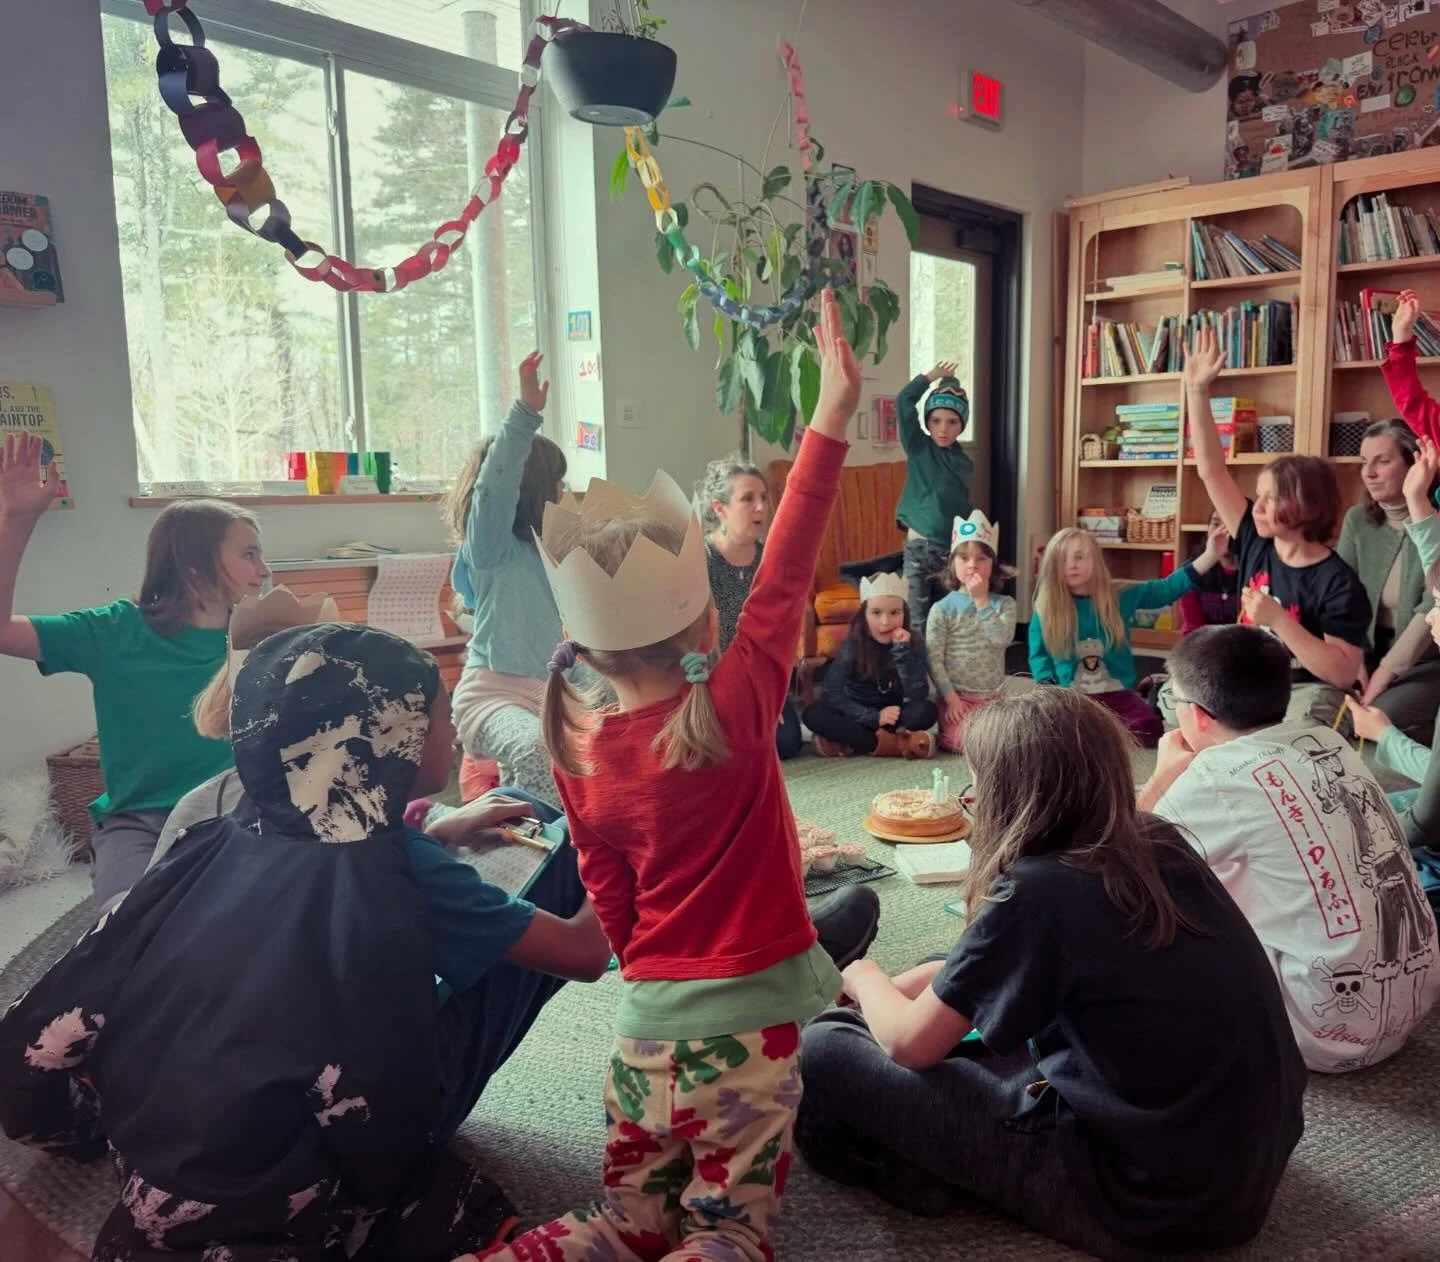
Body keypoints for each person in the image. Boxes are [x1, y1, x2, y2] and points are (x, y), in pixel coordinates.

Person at [0, 622, 614, 1261]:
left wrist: (442, 831)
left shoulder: (215, 837)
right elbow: (585, 954)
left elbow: (40, 1030)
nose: (452, 728)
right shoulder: (397, 873)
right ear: (386, 740)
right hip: (333, 1143)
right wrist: (615, 840)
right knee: (562, 852)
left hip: (179, 1120)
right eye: (435, 714)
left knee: (515, 809)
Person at [482, 290, 867, 1262]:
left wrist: (654, 958)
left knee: (625, 1226)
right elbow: (784, 568)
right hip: (751, 1046)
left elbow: (608, 900)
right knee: (729, 1234)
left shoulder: (573, 745)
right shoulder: (738, 701)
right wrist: (827, 416)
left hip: (642, 1037)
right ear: (705, 624)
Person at [795, 687, 1306, 1258]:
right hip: (1231, 1172)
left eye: (976, 791)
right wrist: (922, 981)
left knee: (824, 1044)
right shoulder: (1158, 843)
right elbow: (977, 967)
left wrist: (864, 976)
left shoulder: (1035, 893)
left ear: (1010, 800)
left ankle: (906, 1161)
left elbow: (910, 1047)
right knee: (941, 973)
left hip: (1142, 1202)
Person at [1142, 623, 1440, 1072]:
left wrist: (1162, 776)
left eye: (1174, 700)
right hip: (1408, 1006)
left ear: (1198, 715)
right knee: (1239, 859)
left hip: (1320, 1032)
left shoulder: (1215, 776)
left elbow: (1116, 856)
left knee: (1153, 896)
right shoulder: (1328, 740)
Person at [0, 432, 269, 908]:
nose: (263, 570)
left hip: (238, 811)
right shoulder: (114, 630)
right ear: (192, 568)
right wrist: (18, 519)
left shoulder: (260, 634)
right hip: (143, 822)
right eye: (249, 554)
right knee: (124, 931)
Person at [1184, 325, 1372, 725]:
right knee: (1176, 698)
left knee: (1298, 727)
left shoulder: (1338, 583)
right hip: (1245, 678)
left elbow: (1341, 672)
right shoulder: (1254, 539)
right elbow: (1211, 471)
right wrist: (1197, 392)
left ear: (1308, 505)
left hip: (1303, 686)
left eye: (1273, 498)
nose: (1258, 507)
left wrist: (1278, 620)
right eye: (1259, 495)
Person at [445, 351, 570, 806]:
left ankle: (538, 834)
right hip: (494, 696)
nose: (564, 492)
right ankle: (544, 850)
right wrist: (525, 415)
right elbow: (492, 490)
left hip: (555, 694)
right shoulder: (492, 549)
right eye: (557, 482)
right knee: (537, 749)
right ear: (535, 488)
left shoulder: (558, 550)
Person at [1029, 523, 1227, 746]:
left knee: (1148, 730)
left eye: (1079, 557)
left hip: (1118, 694)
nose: (1071, 565)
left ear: (1095, 559)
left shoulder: (1119, 595)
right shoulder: (1047, 606)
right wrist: (1050, 692)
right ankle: (1098, 730)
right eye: (1063, 559)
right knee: (1058, 736)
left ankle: (1106, 728)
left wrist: (1211, 555)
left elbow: (1166, 589)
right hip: (1071, 697)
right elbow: (1039, 656)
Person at [1341, 419, 1440, 743]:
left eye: (1382, 461)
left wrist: (1385, 672)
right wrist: (1351, 658)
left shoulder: (1432, 524)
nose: (1369, 472)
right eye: (1363, 462)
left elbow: (1432, 605)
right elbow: (1342, 594)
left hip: (1423, 659)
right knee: (1328, 710)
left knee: (1384, 718)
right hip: (1365, 651)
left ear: (1415, 464)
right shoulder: (1357, 519)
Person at [698, 452, 802, 758]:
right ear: (720, 508)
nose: (760, 507)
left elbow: (781, 634)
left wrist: (771, 696)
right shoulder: (700, 559)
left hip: (760, 678)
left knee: (786, 743)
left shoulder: (770, 560)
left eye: (763, 498)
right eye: (747, 499)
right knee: (726, 743)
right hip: (712, 678)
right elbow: (695, 638)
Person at [803, 572, 937, 758]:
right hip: (858, 714)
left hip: (895, 716)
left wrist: (902, 653)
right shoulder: (852, 644)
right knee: (813, 713)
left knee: (927, 710)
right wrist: (873, 717)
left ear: (904, 614)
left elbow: (917, 694)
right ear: (864, 615)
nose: (885, 622)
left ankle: (854, 744)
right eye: (876, 613)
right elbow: (831, 692)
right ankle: (894, 744)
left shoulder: (913, 642)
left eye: (894, 613)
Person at [924, 510, 1017, 753]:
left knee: (1009, 741)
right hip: (958, 699)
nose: (972, 564)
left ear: (993, 565)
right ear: (953, 563)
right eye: (964, 558)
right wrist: (951, 698)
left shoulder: (1004, 604)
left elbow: (1001, 640)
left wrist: (982, 602)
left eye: (981, 559)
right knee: (962, 742)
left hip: (994, 699)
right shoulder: (941, 609)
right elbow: (934, 658)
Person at [894, 361, 974, 633]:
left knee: (945, 620)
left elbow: (961, 506)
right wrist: (930, 377)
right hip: (918, 549)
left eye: (952, 422)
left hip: (950, 553)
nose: (943, 429)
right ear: (927, 421)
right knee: (916, 620)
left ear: (961, 425)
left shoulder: (964, 463)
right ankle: (915, 675)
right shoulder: (919, 447)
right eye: (936, 421)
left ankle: (941, 673)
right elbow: (904, 401)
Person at [1177, 508, 1239, 633]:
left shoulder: (1260, 572)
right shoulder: (1192, 572)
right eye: (1216, 524)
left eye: (1231, 524)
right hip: (1205, 648)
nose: (1221, 532)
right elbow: (1192, 630)